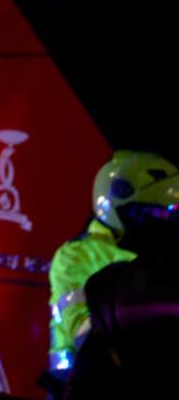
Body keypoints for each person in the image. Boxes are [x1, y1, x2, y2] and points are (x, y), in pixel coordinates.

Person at [46, 151, 176, 377]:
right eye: (153, 212)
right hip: (79, 380)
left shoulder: (154, 255)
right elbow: (81, 331)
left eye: (170, 214)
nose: (162, 221)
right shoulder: (76, 255)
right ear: (121, 207)